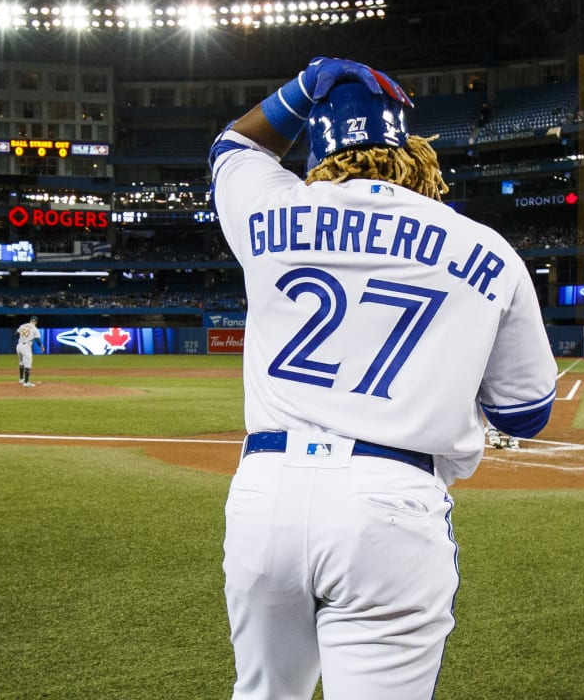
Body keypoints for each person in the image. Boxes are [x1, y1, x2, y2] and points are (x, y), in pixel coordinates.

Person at [209, 57, 556, 700]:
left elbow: (236, 145)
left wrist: (304, 87)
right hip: (390, 502)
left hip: (265, 494)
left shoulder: (269, 211)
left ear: (320, 150)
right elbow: (525, 414)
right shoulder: (487, 248)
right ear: (411, 151)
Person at [16, 316, 42, 386]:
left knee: (21, 362)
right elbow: (37, 340)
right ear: (36, 322)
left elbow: (16, 334)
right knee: (28, 364)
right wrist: (41, 346)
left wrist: (23, 338)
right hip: (26, 347)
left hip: (19, 346)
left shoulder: (22, 325)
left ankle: (21, 379)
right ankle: (26, 382)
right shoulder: (35, 329)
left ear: (30, 320)